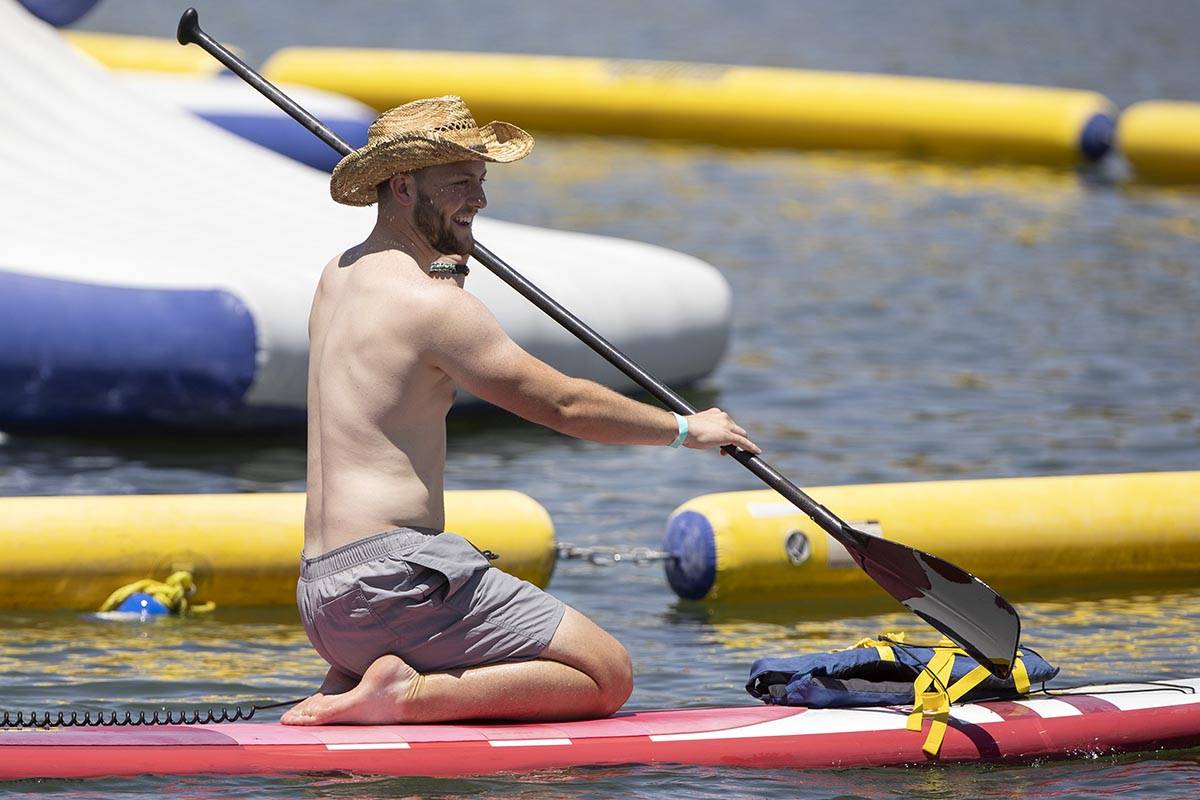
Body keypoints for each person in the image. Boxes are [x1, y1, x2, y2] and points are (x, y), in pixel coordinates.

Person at [282, 96, 760, 726]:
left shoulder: (338, 274)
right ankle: (406, 695)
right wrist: (682, 429)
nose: (477, 199)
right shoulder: (433, 307)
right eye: (458, 182)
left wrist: (446, 260)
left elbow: (398, 373)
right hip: (393, 585)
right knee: (605, 674)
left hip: (323, 594)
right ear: (401, 185)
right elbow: (562, 403)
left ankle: (365, 683)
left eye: (480, 182)